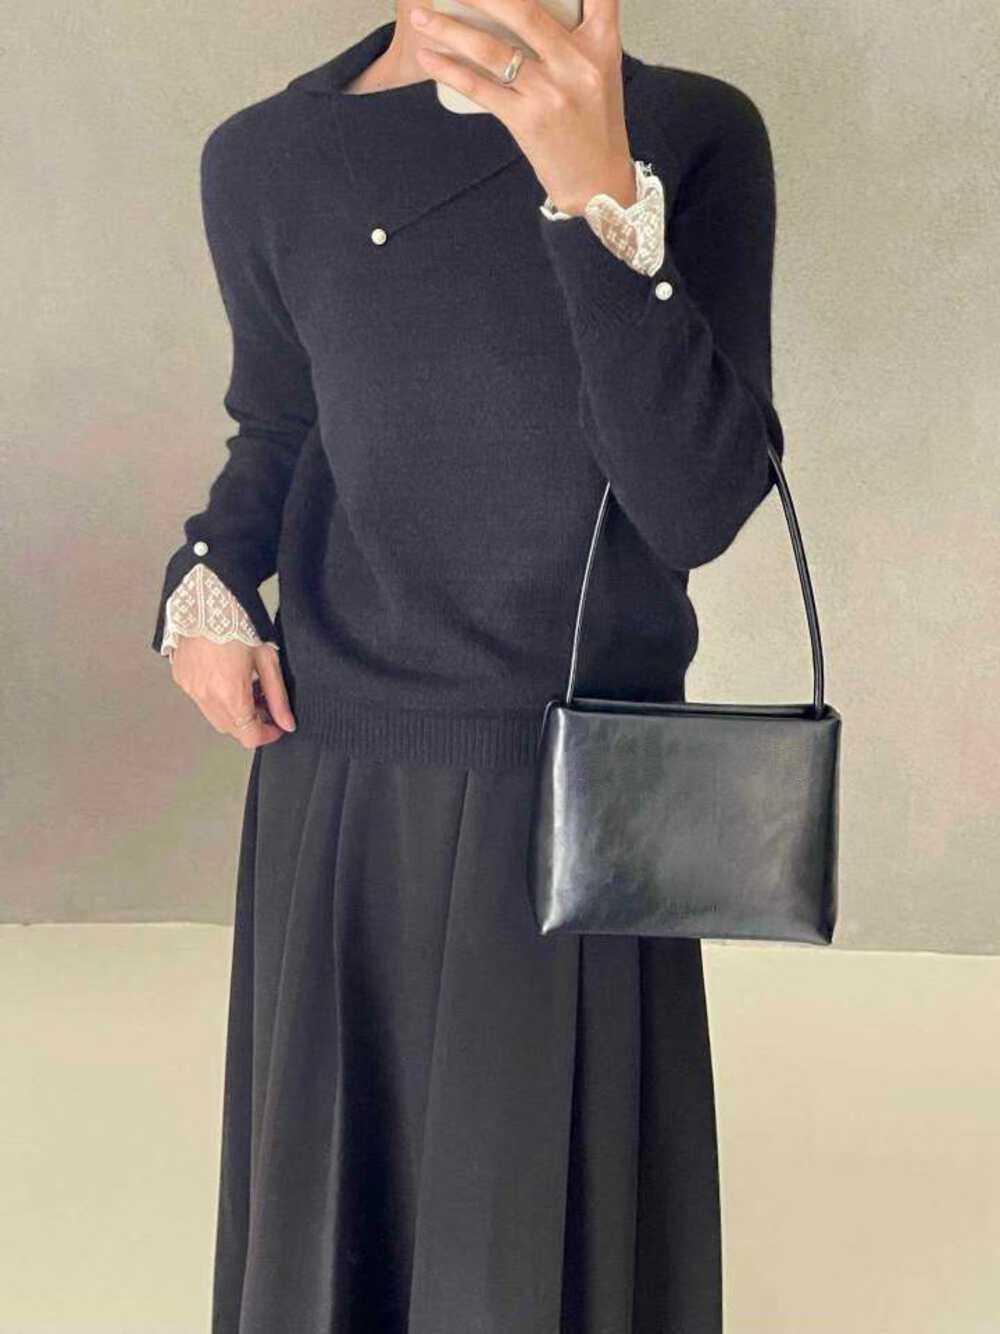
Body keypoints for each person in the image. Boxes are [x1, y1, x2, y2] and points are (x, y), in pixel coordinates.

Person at [150, 3, 784, 1330]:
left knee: (539, 1257)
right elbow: (280, 422)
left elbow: (697, 505)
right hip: (336, 773)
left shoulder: (691, 131)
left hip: (580, 786)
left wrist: (594, 190)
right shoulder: (263, 158)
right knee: (337, 1246)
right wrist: (207, 577)